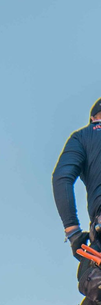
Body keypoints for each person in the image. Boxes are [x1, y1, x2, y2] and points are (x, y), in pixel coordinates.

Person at [52, 97, 101, 258]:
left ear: (93, 119)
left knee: (92, 279)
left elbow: (62, 178)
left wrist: (73, 231)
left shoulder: (82, 137)